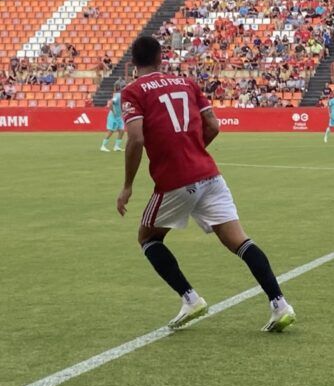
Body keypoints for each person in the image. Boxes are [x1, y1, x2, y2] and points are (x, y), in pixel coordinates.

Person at [116, 36, 295, 332]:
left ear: (133, 63)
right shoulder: (186, 83)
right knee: (240, 241)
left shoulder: (133, 91)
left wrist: (127, 186)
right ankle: (279, 304)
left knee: (147, 238)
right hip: (209, 175)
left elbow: (135, 138)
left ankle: (190, 298)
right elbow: (213, 125)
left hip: (175, 180)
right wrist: (194, 150)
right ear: (162, 58)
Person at [101, 81, 126, 152]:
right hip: (114, 116)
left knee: (122, 130)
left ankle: (116, 146)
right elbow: (110, 102)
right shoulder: (118, 95)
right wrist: (114, 111)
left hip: (119, 116)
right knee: (111, 131)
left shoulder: (120, 94)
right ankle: (103, 146)